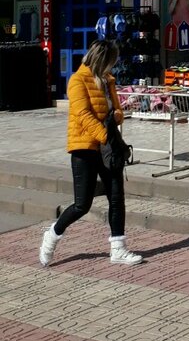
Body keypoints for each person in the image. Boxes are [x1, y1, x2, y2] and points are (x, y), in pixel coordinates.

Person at [39, 40, 142, 266]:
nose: (113, 67)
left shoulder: (107, 81)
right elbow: (83, 116)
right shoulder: (77, 80)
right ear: (102, 60)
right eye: (111, 62)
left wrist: (117, 115)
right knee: (81, 205)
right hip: (85, 148)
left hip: (107, 148)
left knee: (117, 197)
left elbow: (117, 111)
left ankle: (118, 249)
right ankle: (52, 235)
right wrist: (105, 136)